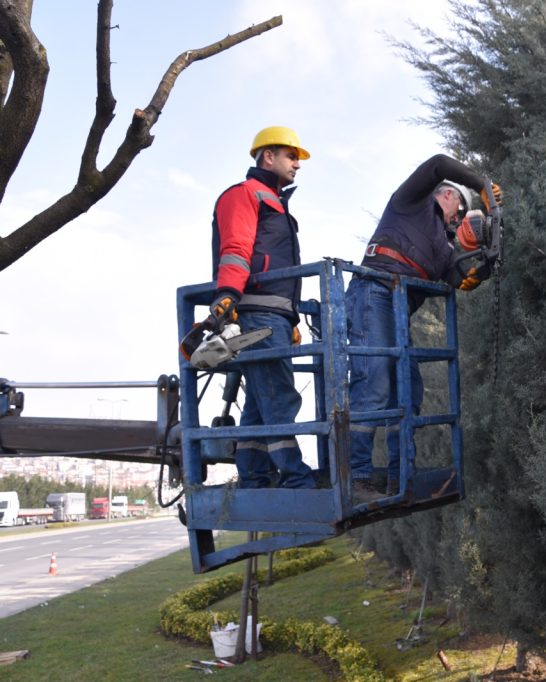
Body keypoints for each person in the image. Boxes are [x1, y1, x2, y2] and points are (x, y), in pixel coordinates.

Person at [347, 153, 501, 501]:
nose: (458, 220)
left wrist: (484, 265)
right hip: (373, 292)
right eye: (459, 210)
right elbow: (438, 163)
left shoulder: (443, 247)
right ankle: (355, 477)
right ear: (447, 195)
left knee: (409, 391)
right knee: (375, 384)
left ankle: (400, 477)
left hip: (397, 310)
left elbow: (459, 278)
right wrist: (481, 186)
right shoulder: (411, 202)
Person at [209, 126, 315, 489]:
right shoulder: (244, 194)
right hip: (258, 312)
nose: (297, 164)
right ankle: (296, 477)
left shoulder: (275, 203)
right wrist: (227, 294)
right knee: (279, 397)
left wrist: (291, 317)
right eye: (292, 156)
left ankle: (255, 476)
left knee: (259, 400)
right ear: (268, 156)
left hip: (274, 314)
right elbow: (236, 249)